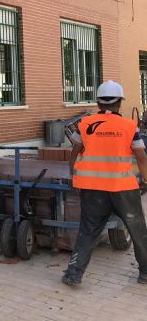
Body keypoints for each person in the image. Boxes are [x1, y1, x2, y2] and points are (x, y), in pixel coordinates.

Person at [63, 80, 147, 286]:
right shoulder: (129, 126)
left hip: (92, 189)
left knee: (87, 231)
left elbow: (74, 154)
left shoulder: (84, 125)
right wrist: (146, 178)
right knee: (138, 231)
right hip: (123, 190)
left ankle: (74, 274)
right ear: (119, 103)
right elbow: (141, 157)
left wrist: (74, 178)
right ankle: (145, 274)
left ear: (98, 103)